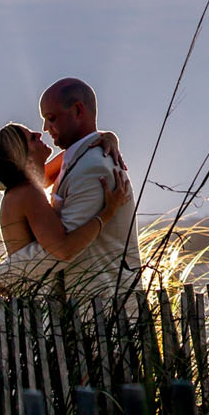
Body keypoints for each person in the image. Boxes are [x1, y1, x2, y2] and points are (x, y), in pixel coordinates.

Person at [0, 121, 131, 290]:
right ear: (24, 157)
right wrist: (108, 212)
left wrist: (110, 138)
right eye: (32, 138)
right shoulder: (28, 193)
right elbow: (64, 248)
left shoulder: (23, 189)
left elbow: (80, 151)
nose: (39, 134)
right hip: (38, 298)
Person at [39, 78, 142, 285]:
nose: (44, 128)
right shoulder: (74, 157)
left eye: (51, 118)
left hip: (101, 304)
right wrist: (108, 135)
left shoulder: (94, 168)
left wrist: (8, 272)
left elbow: (62, 247)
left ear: (78, 111)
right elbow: (36, 180)